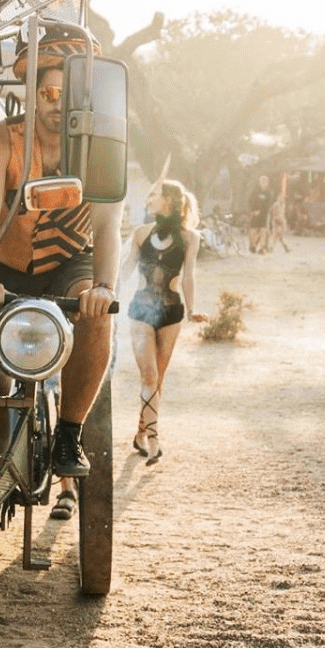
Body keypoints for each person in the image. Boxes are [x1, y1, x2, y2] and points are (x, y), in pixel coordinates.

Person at [0, 25, 120, 511]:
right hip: (7, 265)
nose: (57, 103)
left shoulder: (104, 144)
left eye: (67, 92)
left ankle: (69, 435)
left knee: (98, 314)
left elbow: (109, 227)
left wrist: (105, 287)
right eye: (47, 92)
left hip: (72, 259)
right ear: (31, 94)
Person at [122, 178, 207, 467]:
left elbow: (189, 276)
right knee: (149, 376)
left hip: (172, 313)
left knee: (158, 379)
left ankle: (140, 433)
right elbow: (125, 270)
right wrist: (105, 291)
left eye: (154, 195)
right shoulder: (140, 233)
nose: (148, 200)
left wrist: (193, 308)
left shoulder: (190, 238)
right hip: (141, 311)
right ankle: (154, 443)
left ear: (169, 200)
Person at [247, 175, 274, 253]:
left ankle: (262, 247)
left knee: (263, 230)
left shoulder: (268, 193)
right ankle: (253, 245)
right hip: (254, 213)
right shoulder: (255, 191)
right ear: (259, 182)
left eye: (265, 182)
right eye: (262, 181)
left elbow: (268, 204)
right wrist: (253, 211)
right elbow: (250, 201)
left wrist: (261, 211)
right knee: (253, 230)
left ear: (267, 183)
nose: (263, 183)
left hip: (263, 214)